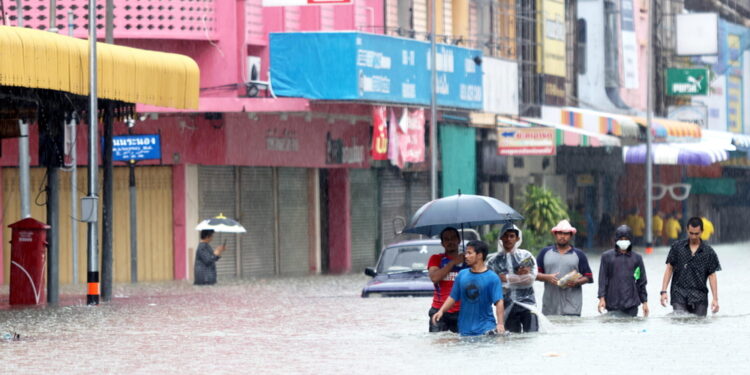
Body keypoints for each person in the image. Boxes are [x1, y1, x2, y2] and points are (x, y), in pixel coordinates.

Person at [432, 240, 505, 336]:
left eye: (469, 253)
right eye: (466, 253)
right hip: (464, 329)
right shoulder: (462, 275)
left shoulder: (493, 278)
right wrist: (441, 311)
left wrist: (500, 324)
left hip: (486, 329)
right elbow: (453, 297)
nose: (465, 256)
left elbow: (499, 302)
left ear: (479, 255)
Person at [660, 217, 721, 316]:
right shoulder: (677, 247)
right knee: (680, 321)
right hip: (679, 294)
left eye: (696, 234)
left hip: (699, 296)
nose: (693, 236)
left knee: (698, 325)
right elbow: (669, 269)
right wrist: (663, 291)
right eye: (691, 233)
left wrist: (715, 299)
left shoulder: (709, 252)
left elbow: (712, 275)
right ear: (687, 230)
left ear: (702, 232)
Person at [486, 223, 539, 333]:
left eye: (511, 236)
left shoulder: (526, 256)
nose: (508, 239)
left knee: (532, 336)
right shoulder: (493, 260)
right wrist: (518, 278)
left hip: (528, 304)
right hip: (507, 305)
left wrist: (507, 278)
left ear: (517, 238)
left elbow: (531, 279)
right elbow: (492, 284)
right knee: (512, 340)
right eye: (505, 236)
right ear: (501, 238)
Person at [536, 220, 594, 316]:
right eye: (560, 233)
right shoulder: (544, 252)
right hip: (550, 307)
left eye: (566, 234)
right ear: (555, 234)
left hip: (572, 307)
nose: (562, 236)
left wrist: (577, 282)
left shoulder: (579, 255)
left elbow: (588, 277)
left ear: (571, 235)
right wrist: (547, 277)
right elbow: (533, 275)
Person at [597, 225, 649, 317]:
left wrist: (644, 302)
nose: (624, 241)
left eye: (626, 239)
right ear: (616, 240)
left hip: (632, 303)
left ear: (630, 240)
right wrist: (601, 298)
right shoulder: (607, 257)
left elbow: (641, 281)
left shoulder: (637, 258)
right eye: (621, 239)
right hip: (612, 302)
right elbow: (603, 279)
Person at [427, 227, 469, 333]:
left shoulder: (468, 260)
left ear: (459, 240)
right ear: (442, 243)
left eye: (453, 238)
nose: (450, 241)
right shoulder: (436, 258)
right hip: (439, 310)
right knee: (437, 344)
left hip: (462, 311)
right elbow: (434, 278)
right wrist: (453, 262)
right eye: (446, 239)